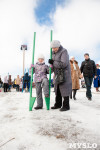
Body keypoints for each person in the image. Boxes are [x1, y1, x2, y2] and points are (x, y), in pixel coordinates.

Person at [48, 40, 72, 111]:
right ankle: (58, 104)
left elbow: (63, 64)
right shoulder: (53, 53)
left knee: (64, 89)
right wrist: (49, 68)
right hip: (57, 73)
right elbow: (54, 65)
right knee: (57, 89)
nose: (54, 49)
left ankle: (66, 106)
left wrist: (53, 62)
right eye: (52, 48)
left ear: (58, 46)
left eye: (55, 47)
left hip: (64, 73)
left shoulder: (64, 51)